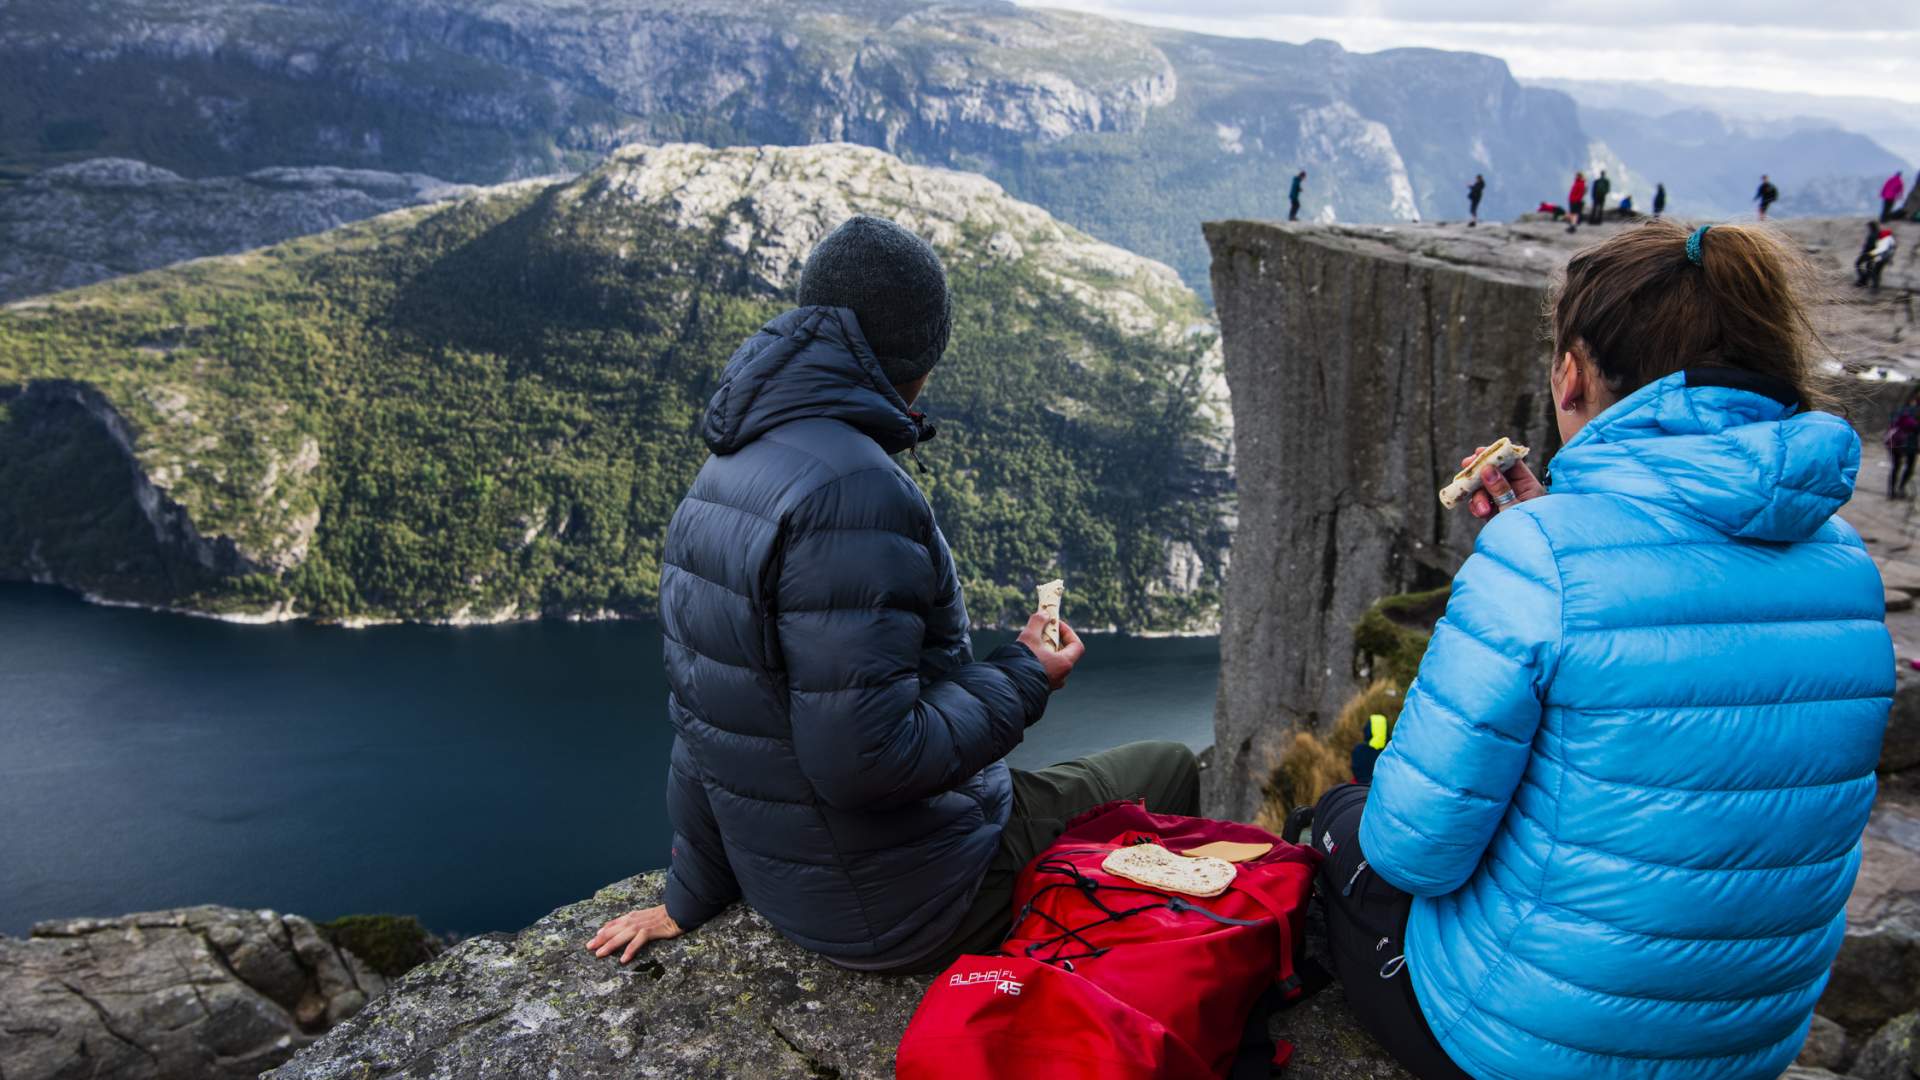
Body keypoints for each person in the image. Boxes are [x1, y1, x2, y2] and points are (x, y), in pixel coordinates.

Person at [1308, 219, 1890, 1080]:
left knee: (1334, 825)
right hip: (1747, 1046)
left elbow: (1415, 850)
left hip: (1534, 1047)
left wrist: (1534, 557)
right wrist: (1549, 539)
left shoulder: (1539, 559)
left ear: (1571, 372)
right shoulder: (1846, 565)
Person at [582, 215, 1200, 972]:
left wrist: (690, 896)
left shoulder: (724, 472)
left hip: (803, 889)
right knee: (1172, 766)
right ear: (920, 357)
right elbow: (866, 762)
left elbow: (712, 721)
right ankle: (1140, 981)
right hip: (919, 899)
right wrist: (1027, 673)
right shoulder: (857, 493)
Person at [1887, 391, 1920, 498]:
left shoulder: (1902, 410)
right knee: (1909, 467)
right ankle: (1901, 488)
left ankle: (1891, 491)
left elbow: (1892, 423)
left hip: (1896, 442)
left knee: (1895, 467)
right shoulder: (1916, 413)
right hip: (1911, 444)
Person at [1861, 227, 1898, 292]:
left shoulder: (1886, 240)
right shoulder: (1891, 240)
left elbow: (1882, 249)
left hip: (1882, 258)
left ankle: (1875, 287)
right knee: (1877, 272)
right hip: (1885, 258)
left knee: (1874, 271)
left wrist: (1870, 254)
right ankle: (1875, 286)